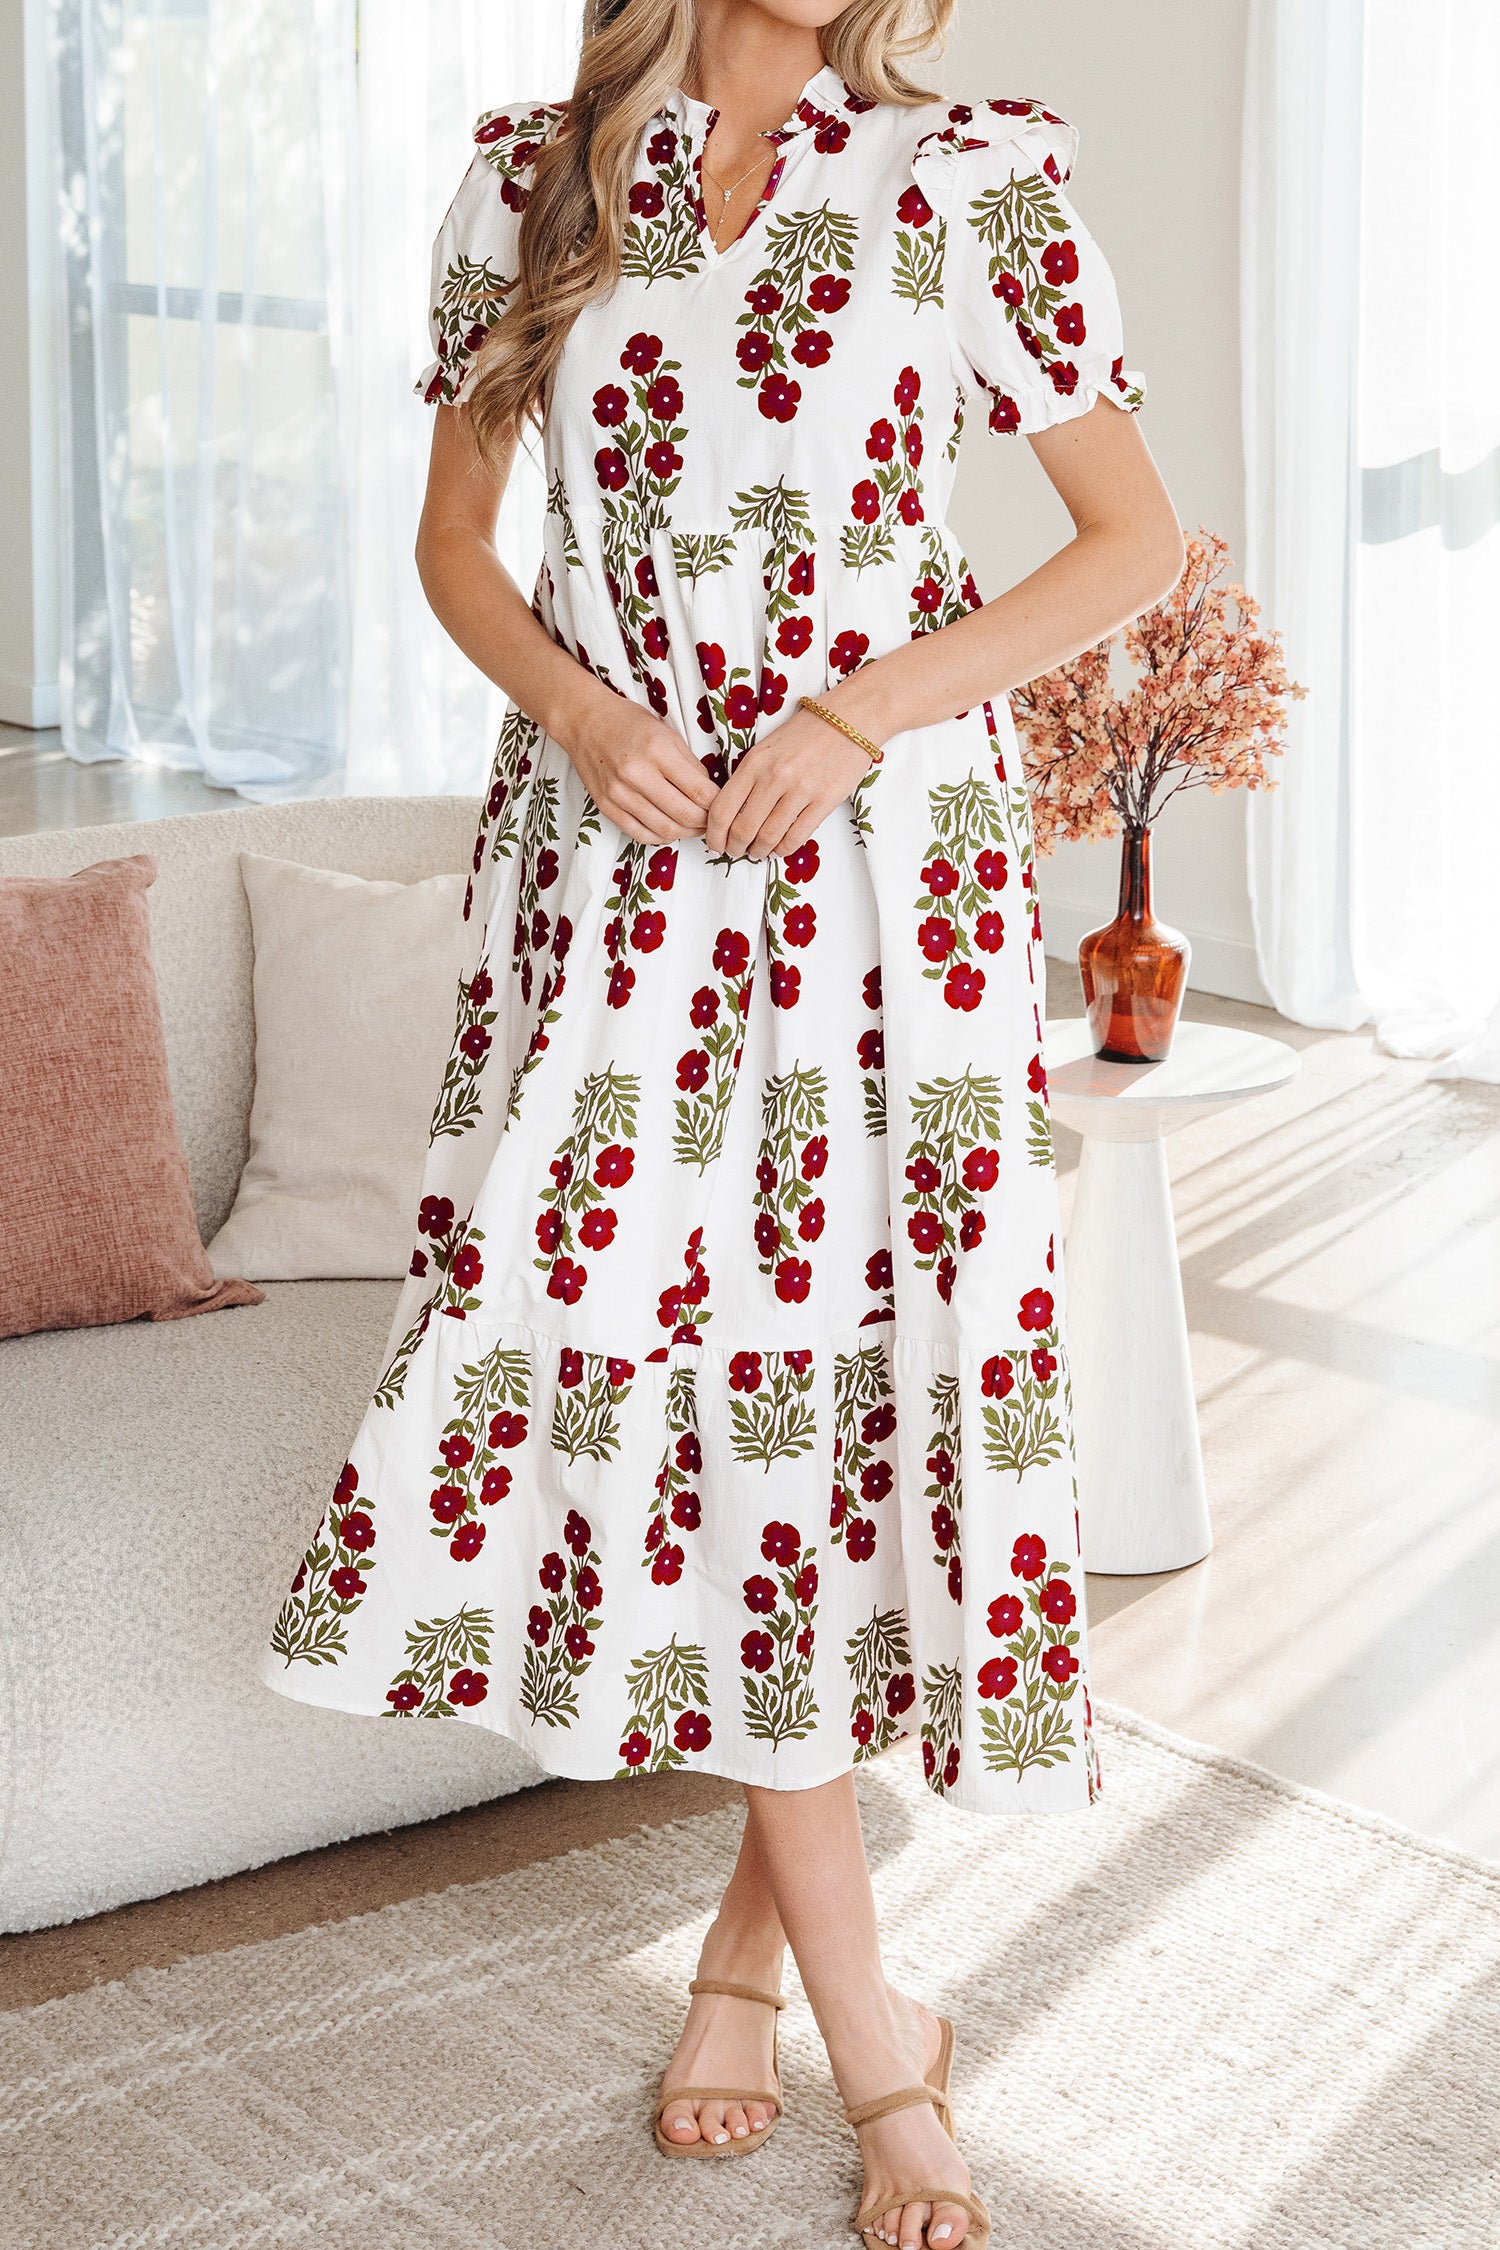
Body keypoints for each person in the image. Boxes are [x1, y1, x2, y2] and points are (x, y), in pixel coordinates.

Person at [262, 2, 1183, 2241]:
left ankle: (781, 1985)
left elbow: (1130, 545)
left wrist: (865, 713)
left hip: (883, 870)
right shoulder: (531, 174)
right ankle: (877, 2034)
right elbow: (457, 541)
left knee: (827, 1394)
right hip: (616, 856)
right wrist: (580, 713)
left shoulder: (972, 174)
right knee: (655, 1376)